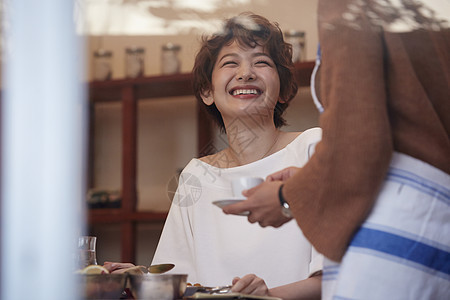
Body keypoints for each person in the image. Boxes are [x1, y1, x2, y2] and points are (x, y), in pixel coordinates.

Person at [223, 1, 450, 299]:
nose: (245, 73)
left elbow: (359, 138)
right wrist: (311, 181)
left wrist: (287, 197)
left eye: (261, 62)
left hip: (395, 227)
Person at [150, 13, 323, 299]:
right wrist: (132, 276)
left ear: (283, 91)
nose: (246, 73)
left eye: (262, 62)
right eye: (231, 62)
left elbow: (337, 277)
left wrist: (264, 297)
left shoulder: (311, 148)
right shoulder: (196, 176)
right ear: (207, 91)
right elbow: (173, 284)